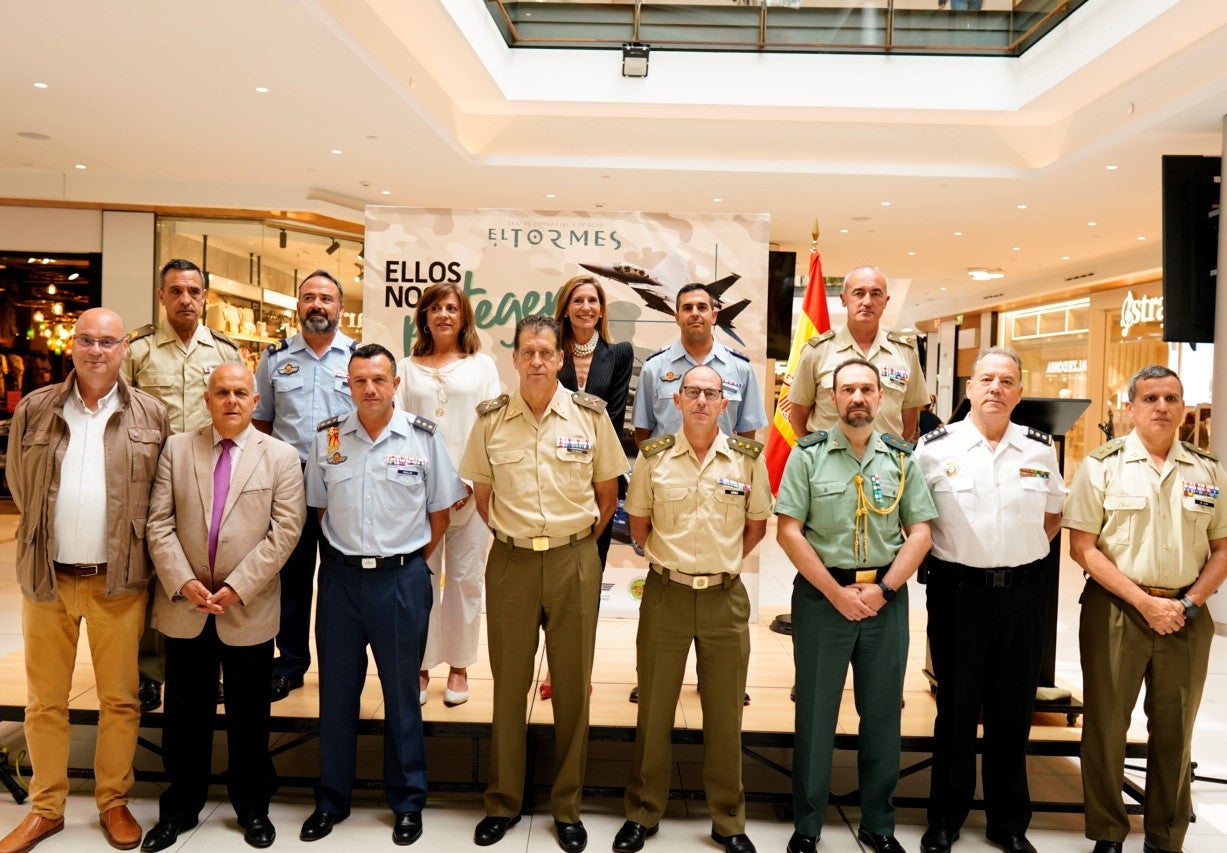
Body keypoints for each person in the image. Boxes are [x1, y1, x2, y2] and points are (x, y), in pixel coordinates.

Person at [0, 308, 168, 853]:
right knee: (44, 701)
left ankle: (112, 801)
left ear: (125, 349)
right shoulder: (35, 408)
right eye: (86, 340)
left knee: (120, 700)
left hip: (118, 581)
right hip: (47, 578)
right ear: (74, 346)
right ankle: (46, 807)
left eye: (107, 342)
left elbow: (159, 499)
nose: (96, 350)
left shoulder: (150, 415)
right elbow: (21, 487)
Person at [459, 314, 624, 853]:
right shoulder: (490, 421)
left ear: (560, 359)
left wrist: (570, 544)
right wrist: (519, 537)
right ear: (515, 358)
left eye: (545, 353)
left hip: (574, 559)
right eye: (527, 351)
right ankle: (504, 801)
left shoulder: (589, 416)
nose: (535, 361)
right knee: (508, 686)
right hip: (510, 562)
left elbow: (607, 499)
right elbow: (483, 499)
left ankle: (567, 807)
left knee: (573, 688)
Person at [299, 344, 464, 847]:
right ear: (348, 385)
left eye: (379, 380)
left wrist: (406, 560)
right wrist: (356, 554)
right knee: (337, 695)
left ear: (395, 384)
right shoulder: (328, 438)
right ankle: (332, 799)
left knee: (402, 697)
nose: (369, 389)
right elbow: (320, 508)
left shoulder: (422, 437)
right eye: (359, 380)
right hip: (341, 581)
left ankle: (408, 801)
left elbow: (441, 512)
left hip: (401, 581)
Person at [775, 357, 936, 853]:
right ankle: (807, 825)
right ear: (832, 398)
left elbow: (921, 533)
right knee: (816, 715)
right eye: (848, 390)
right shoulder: (807, 455)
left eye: (867, 389)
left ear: (881, 397)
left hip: (884, 602)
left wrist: (883, 590)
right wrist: (836, 593)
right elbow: (789, 531)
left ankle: (878, 824)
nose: (858, 398)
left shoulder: (902, 459)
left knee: (884, 715)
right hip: (824, 600)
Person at [141, 364, 305, 852]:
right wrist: (183, 580)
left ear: (256, 403)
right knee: (184, 713)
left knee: (249, 713)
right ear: (207, 400)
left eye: (240, 393)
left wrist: (238, 586)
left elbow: (286, 532)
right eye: (221, 393)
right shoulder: (177, 448)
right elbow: (159, 524)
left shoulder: (281, 457)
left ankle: (252, 806)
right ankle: (180, 807)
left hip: (246, 607)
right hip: (185, 604)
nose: (231, 401)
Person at [1063, 365, 1227, 853]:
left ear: (1182, 407)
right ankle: (1109, 833)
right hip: (1117, 610)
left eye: (1171, 398)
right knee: (1106, 727)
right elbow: (1083, 548)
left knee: (1176, 730)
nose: (1161, 406)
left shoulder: (1208, 470)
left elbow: (1222, 549)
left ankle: (1164, 836)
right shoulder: (1102, 465)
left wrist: (1186, 602)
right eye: (1150, 398)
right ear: (1129, 408)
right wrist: (1144, 603)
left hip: (1186, 614)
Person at [614, 365, 772, 853]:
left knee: (725, 714)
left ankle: (729, 820)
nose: (702, 400)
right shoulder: (654, 457)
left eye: (712, 393)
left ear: (725, 405)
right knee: (655, 709)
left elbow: (756, 526)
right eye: (693, 393)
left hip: (725, 597)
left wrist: (718, 564)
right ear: (677, 402)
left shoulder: (747, 460)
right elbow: (638, 524)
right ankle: (643, 812)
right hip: (667, 594)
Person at [913, 348, 1064, 853]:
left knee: (1011, 711)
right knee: (955, 710)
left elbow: (1052, 516)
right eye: (986, 379)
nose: (996, 388)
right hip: (958, 593)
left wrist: (1014, 554)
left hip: (1022, 596)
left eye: (1006, 381)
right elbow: (918, 519)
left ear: (1019, 392)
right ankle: (945, 820)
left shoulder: (1040, 450)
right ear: (970, 389)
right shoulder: (935, 447)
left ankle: (1008, 824)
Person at [123, 258, 241, 712]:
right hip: (153, 477)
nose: (185, 299)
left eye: (193, 291)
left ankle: (206, 672)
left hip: (212, 476)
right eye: (176, 291)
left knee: (207, 568)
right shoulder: (139, 351)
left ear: (206, 297)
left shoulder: (225, 352)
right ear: (161, 297)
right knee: (154, 573)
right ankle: (151, 672)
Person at [252, 270, 356, 702]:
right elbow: (261, 422)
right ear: (298, 305)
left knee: (339, 580)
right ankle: (291, 662)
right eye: (309, 297)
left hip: (341, 482)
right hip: (289, 482)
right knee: (291, 578)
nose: (317, 304)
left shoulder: (357, 358)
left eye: (326, 298)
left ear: (340, 308)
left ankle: (338, 665)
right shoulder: (275, 359)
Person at [395, 281, 500, 708]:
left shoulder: (483, 366)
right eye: (435, 308)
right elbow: (398, 431)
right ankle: (420, 665)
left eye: (451, 308)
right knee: (420, 581)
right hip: (419, 495)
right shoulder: (406, 366)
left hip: (472, 493)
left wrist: (470, 484)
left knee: (464, 581)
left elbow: (493, 429)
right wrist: (428, 488)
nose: (443, 315)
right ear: (423, 317)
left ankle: (458, 666)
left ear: (463, 317)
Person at [538, 274, 634, 701]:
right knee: (546, 583)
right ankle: (550, 665)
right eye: (578, 300)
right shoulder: (548, 349)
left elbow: (611, 417)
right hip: (547, 473)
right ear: (566, 307)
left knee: (585, 582)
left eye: (593, 300)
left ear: (602, 308)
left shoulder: (619, 353)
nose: (586, 307)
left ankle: (576, 672)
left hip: (594, 474)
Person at [786, 266, 927, 443]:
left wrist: (889, 456)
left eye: (876, 294)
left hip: (884, 465)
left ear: (886, 301)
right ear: (844, 299)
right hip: (829, 464)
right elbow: (798, 415)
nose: (867, 302)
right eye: (859, 293)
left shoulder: (905, 353)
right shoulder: (817, 351)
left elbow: (910, 418)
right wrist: (818, 457)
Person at [632, 283, 767, 446]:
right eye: (687, 308)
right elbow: (642, 435)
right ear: (676, 317)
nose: (695, 313)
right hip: (667, 470)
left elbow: (747, 437)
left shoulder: (740, 368)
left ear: (714, 316)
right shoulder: (654, 368)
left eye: (702, 307)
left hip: (722, 470)